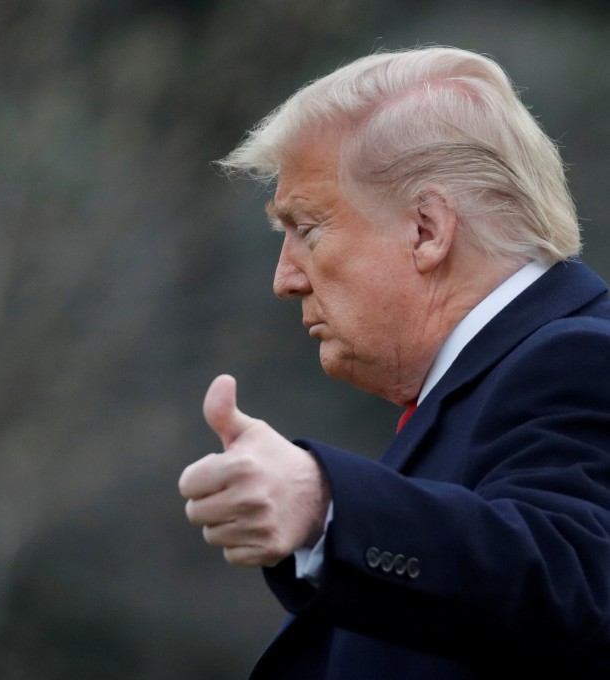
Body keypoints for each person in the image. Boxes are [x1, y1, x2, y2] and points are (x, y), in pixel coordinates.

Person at [178, 46, 610, 678]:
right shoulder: (494, 379)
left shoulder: (579, 358)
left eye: (308, 227)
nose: (285, 278)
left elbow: (576, 582)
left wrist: (325, 505)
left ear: (427, 230)